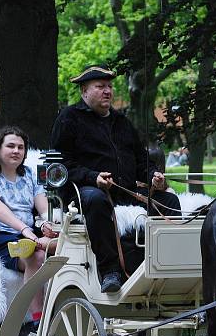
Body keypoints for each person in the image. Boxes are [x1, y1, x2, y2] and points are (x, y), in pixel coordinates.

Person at [50, 64, 181, 293]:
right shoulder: (69, 118)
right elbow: (60, 166)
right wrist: (93, 177)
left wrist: (153, 177)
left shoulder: (122, 122)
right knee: (97, 199)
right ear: (84, 91)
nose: (107, 91)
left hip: (125, 192)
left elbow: (142, 160)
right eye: (100, 86)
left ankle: (168, 263)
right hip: (83, 193)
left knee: (169, 201)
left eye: (109, 86)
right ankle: (110, 271)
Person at [0, 126, 56, 336]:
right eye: (10, 146)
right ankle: (37, 320)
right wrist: (26, 230)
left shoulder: (29, 175)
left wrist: (48, 223)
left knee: (69, 243)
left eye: (21, 147)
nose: (16, 150)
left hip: (27, 235)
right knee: (35, 255)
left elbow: (43, 207)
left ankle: (64, 311)